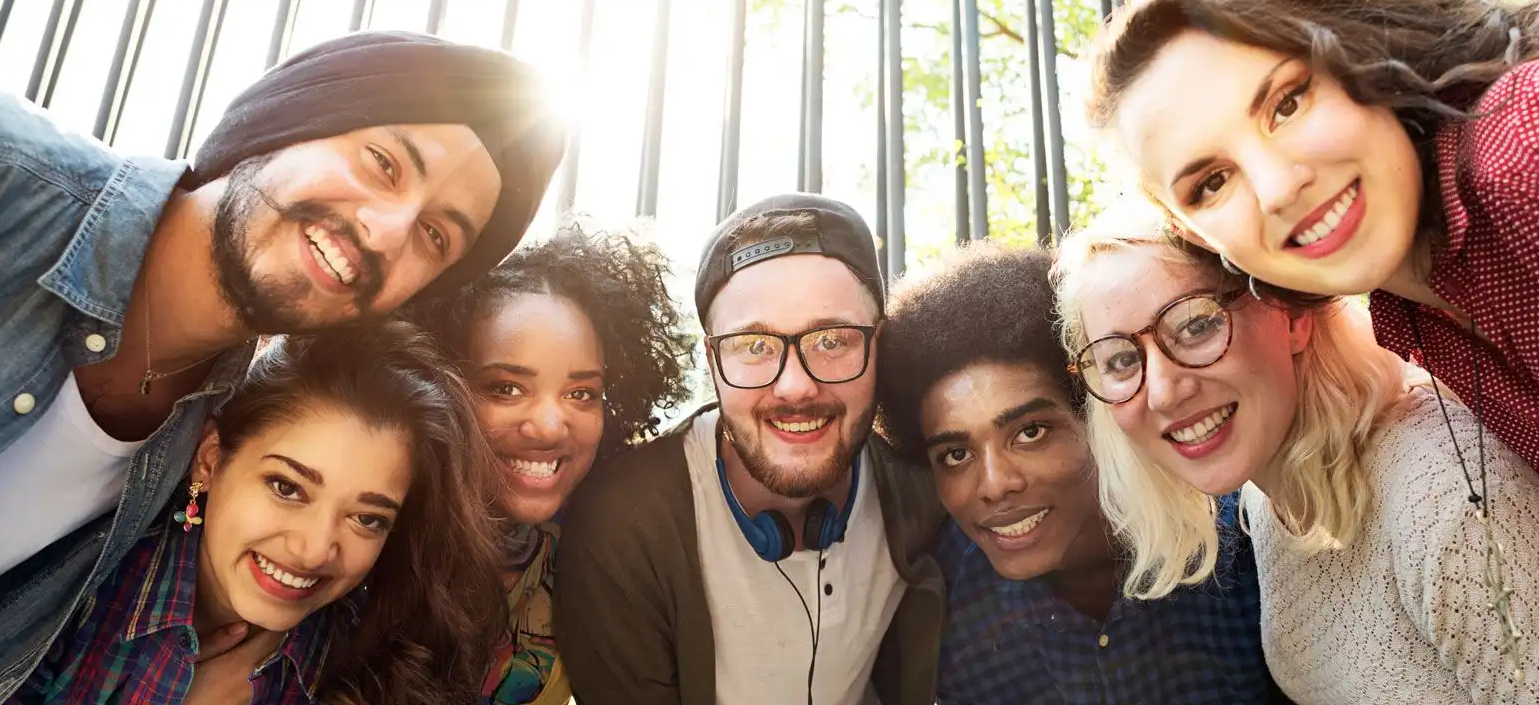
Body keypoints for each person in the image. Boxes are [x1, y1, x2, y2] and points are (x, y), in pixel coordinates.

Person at [0, 31, 564, 703]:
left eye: (434, 235)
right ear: (285, 121)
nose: (387, 231)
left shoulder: (199, 433)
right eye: (384, 163)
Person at [1081, 0, 1539, 583]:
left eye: (1287, 104)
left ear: (1355, 58)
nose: (1276, 188)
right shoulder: (1416, 328)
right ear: (1202, 236)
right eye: (1211, 183)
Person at [1053, 207, 1539, 704]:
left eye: (1195, 324)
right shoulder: (1269, 499)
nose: (1167, 388)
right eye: (1119, 360)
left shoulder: (1447, 497)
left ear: (1289, 314)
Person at [554, 193, 948, 705]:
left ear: (880, 345)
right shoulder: (623, 527)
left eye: (831, 340)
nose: (794, 387)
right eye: (753, 346)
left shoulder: (927, 487)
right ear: (712, 361)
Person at [872, 242, 1287, 704]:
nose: (994, 484)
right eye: (955, 455)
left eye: (1030, 432)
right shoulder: (943, 607)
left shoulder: (1242, 547)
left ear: (1099, 416)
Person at [11, 321, 504, 705]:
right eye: (287, 487)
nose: (313, 550)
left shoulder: (373, 662)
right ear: (211, 457)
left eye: (367, 519)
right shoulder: (72, 590)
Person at [407, 223, 694, 705]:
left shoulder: (601, 547)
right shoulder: (370, 528)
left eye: (581, 393)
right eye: (506, 387)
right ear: (439, 380)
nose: (549, 426)